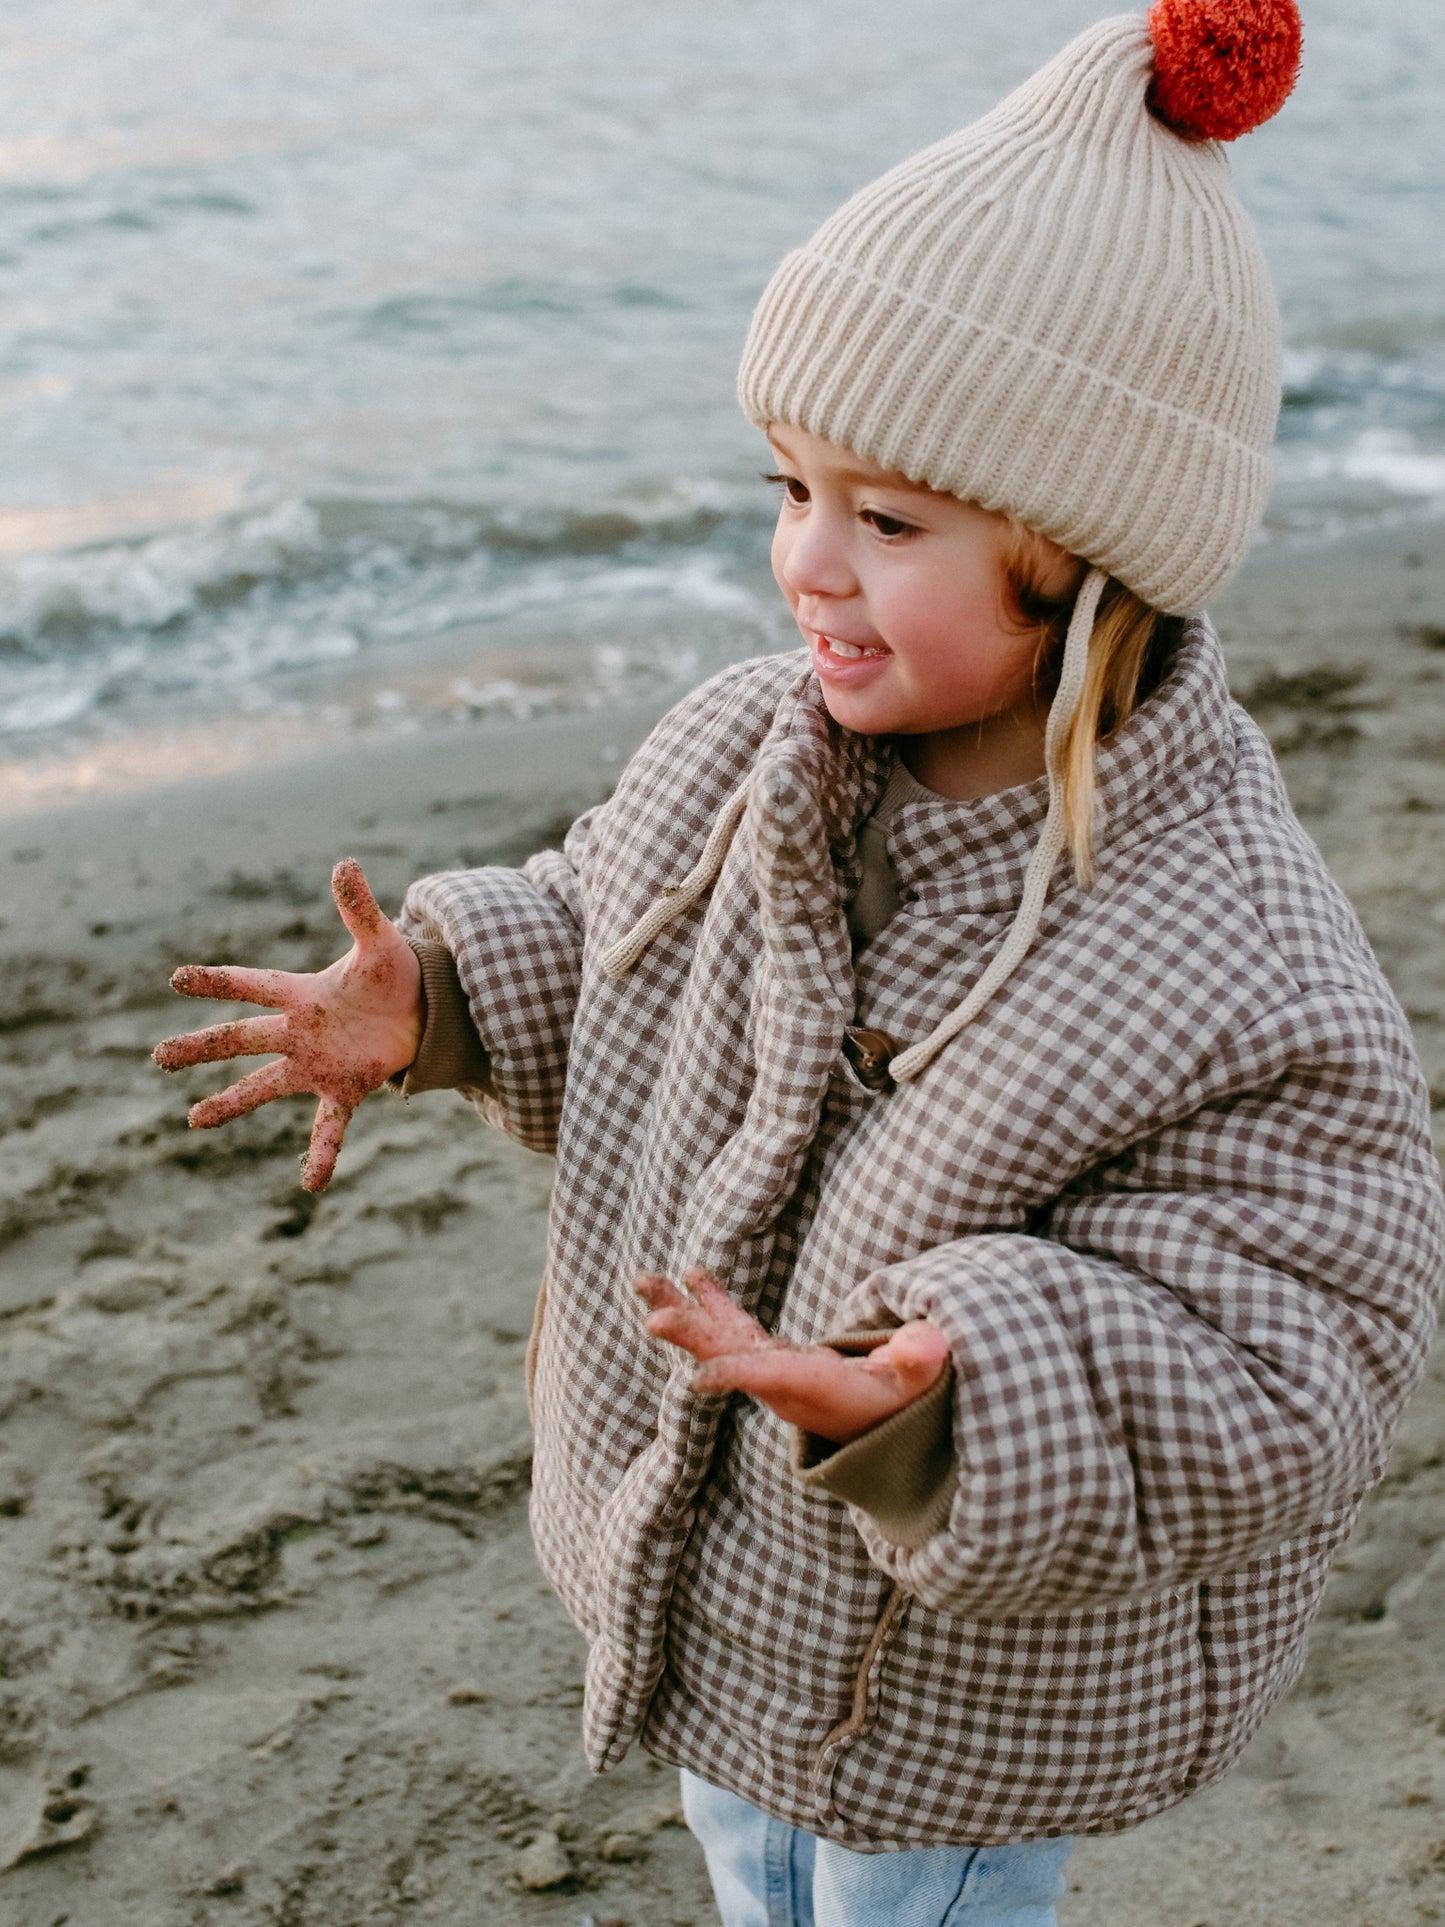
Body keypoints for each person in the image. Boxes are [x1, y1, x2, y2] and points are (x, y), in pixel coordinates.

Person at [153, 4, 1445, 1922]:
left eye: (888, 519)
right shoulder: (744, 747)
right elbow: (612, 935)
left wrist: (941, 1386)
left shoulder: (1226, 945)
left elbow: (1294, 1341)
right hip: (727, 1584)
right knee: (750, 1862)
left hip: (960, 1670)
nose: (806, 565)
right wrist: (429, 1000)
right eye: (788, 491)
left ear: (1087, 562)